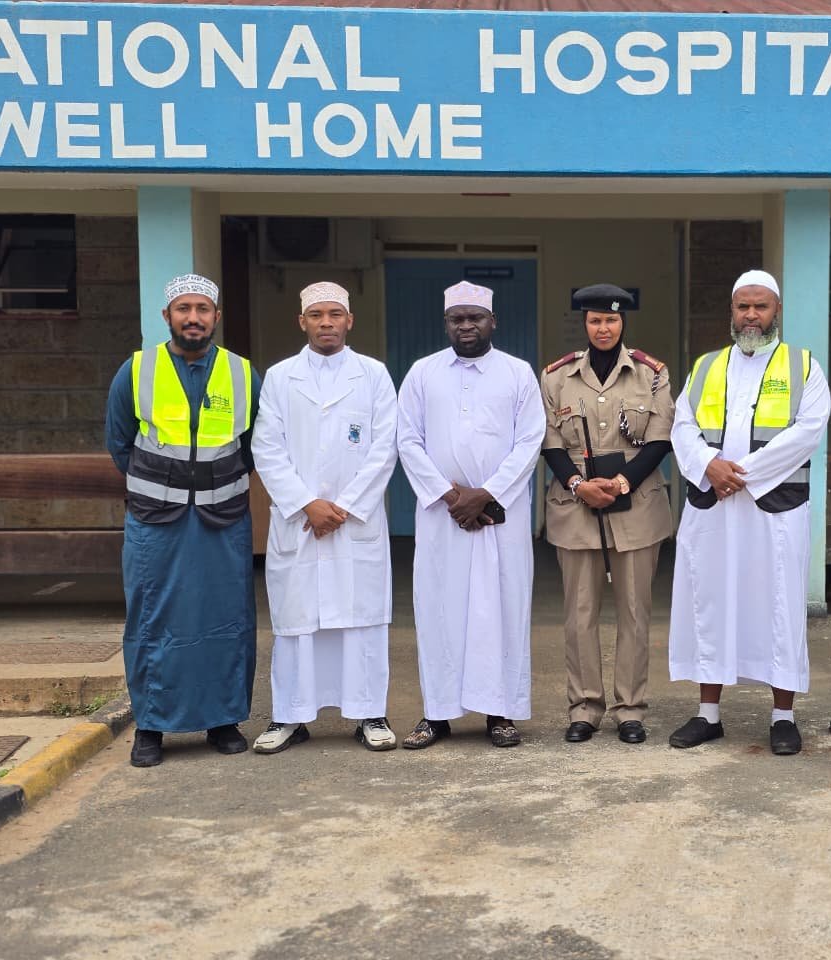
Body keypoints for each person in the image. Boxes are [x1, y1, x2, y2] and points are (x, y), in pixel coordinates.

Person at [667, 269, 831, 756]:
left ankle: (783, 717)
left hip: (774, 512)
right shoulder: (706, 366)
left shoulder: (803, 366)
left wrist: (742, 474)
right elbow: (681, 427)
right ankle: (708, 715)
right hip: (712, 508)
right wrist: (707, 466)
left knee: (778, 604)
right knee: (709, 602)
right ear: (732, 313)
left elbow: (808, 430)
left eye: (761, 306)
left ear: (776, 310)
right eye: (743, 307)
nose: (752, 315)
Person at [104, 274, 260, 768]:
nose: (193, 318)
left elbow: (255, 447)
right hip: (155, 522)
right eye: (183, 309)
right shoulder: (135, 371)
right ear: (166, 316)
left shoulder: (242, 373)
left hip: (223, 517)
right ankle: (150, 726)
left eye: (203, 309)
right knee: (153, 618)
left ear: (216, 316)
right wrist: (165, 483)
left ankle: (223, 720)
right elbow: (120, 442)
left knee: (226, 616)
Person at [250, 282, 399, 754]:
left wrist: (345, 506)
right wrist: (306, 503)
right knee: (297, 623)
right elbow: (266, 447)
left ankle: (369, 713)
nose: (327, 323)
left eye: (336, 314)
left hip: (355, 523)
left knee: (362, 621)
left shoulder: (373, 374)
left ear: (350, 320)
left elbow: (385, 447)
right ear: (303, 322)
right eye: (317, 315)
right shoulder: (279, 376)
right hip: (301, 522)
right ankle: (289, 717)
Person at [397, 281, 546, 749]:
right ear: (447, 323)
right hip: (444, 517)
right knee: (439, 608)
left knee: (502, 607)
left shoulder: (518, 373)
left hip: (501, 515)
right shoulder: (422, 373)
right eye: (457, 318)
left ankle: (499, 713)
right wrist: (449, 496)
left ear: (492, 321)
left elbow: (530, 440)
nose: (466, 326)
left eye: (474, 317)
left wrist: (486, 493)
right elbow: (408, 440)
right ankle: (436, 714)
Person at [540, 283, 674, 745]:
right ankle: (584, 707)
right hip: (575, 508)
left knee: (635, 613)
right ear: (585, 324)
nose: (603, 328)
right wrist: (579, 485)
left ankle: (630, 708)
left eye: (611, 321)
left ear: (623, 324)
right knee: (579, 615)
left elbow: (659, 439)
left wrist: (619, 484)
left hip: (636, 508)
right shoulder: (557, 377)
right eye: (595, 320)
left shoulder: (650, 374)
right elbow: (551, 444)